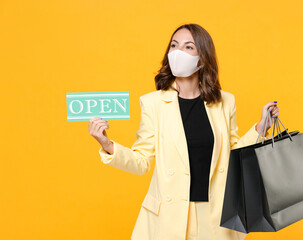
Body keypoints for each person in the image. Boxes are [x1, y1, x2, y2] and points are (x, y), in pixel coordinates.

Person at [88, 23, 279, 240]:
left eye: (188, 47)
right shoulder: (153, 103)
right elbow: (142, 161)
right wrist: (106, 144)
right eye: (174, 46)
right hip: (169, 217)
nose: (178, 52)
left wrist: (261, 127)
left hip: (215, 216)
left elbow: (233, 155)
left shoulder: (225, 101)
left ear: (202, 58)